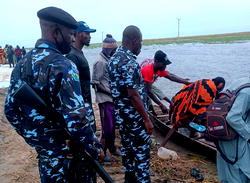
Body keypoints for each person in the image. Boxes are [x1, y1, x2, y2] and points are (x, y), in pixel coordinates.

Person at [4, 7, 102, 182]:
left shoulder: (21, 64)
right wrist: (95, 149)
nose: (73, 39)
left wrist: (38, 140)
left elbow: (11, 111)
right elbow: (77, 121)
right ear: (57, 32)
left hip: (47, 160)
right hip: (72, 160)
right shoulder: (63, 65)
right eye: (71, 34)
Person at [108, 25, 154, 183]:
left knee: (128, 152)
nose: (141, 45)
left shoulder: (114, 58)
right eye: (140, 41)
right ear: (134, 40)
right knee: (141, 155)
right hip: (135, 120)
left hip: (122, 118)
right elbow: (134, 95)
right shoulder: (129, 63)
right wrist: (146, 119)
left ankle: (129, 179)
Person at [161, 77, 225, 146]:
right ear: (220, 85)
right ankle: (196, 133)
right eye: (221, 87)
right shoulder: (210, 88)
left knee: (180, 123)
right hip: (185, 106)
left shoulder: (205, 82)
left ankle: (163, 144)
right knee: (196, 120)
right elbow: (203, 105)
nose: (220, 89)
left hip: (180, 102)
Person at [92, 34, 121, 162]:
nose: (115, 52)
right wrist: (111, 92)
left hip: (111, 99)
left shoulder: (107, 60)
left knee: (112, 126)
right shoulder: (100, 62)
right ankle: (102, 154)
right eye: (114, 50)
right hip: (105, 100)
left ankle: (112, 148)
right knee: (106, 129)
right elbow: (95, 83)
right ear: (108, 50)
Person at [217, 77, 250, 183]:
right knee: (240, 172)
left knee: (227, 170)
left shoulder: (240, 81)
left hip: (222, 132)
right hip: (234, 138)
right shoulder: (247, 92)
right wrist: (248, 135)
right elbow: (233, 118)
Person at [66, 20, 96, 131]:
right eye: (87, 33)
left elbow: (80, 78)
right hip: (81, 107)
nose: (90, 36)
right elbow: (72, 86)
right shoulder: (72, 56)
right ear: (78, 34)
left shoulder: (79, 53)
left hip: (87, 103)